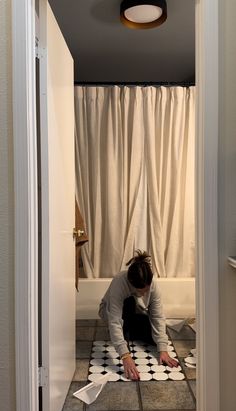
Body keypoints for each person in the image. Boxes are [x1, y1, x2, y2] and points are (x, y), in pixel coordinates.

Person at [98, 250, 178, 380]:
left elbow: (157, 316)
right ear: (131, 282)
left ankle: (128, 332)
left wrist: (163, 349)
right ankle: (123, 335)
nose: (144, 294)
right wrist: (125, 355)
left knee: (157, 338)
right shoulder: (119, 282)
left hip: (136, 313)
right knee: (128, 302)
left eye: (146, 290)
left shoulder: (152, 286)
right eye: (141, 291)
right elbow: (115, 320)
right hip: (113, 313)